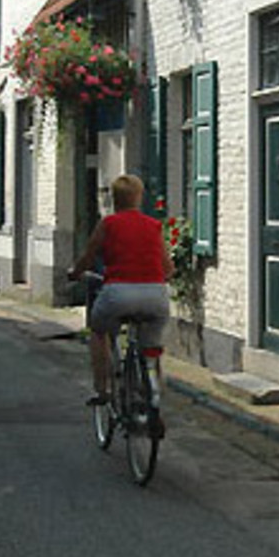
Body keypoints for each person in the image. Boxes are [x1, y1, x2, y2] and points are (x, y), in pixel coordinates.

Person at [68, 174, 173, 423]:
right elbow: (168, 267)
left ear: (114, 199)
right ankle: (152, 394)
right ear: (139, 197)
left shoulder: (108, 224)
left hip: (118, 294)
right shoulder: (153, 225)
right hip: (155, 295)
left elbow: (88, 256)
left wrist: (75, 273)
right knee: (151, 349)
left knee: (98, 330)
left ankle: (102, 388)